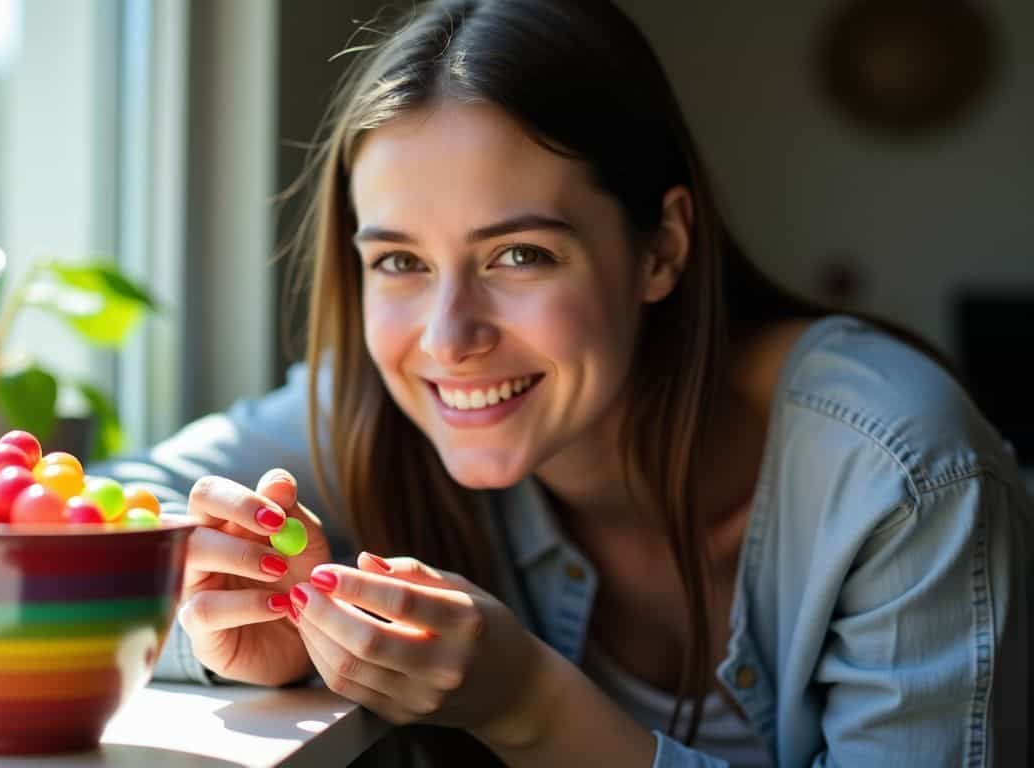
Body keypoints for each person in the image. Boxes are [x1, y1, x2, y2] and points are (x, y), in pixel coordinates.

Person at [100, 1, 1033, 765]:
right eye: (398, 263)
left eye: (518, 253)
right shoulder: (373, 408)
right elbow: (107, 510)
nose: (448, 338)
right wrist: (243, 626)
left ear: (660, 247)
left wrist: (530, 705)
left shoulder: (903, 472)